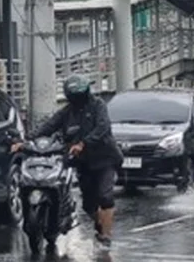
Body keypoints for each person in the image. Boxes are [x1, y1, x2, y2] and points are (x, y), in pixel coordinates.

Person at [13, 74, 120, 247]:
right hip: (83, 161)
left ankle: (106, 236)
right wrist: (26, 141)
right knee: (88, 204)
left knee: (105, 196)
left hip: (104, 158)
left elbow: (103, 128)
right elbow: (49, 126)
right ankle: (99, 221)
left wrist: (83, 143)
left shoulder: (98, 106)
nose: (77, 99)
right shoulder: (67, 112)